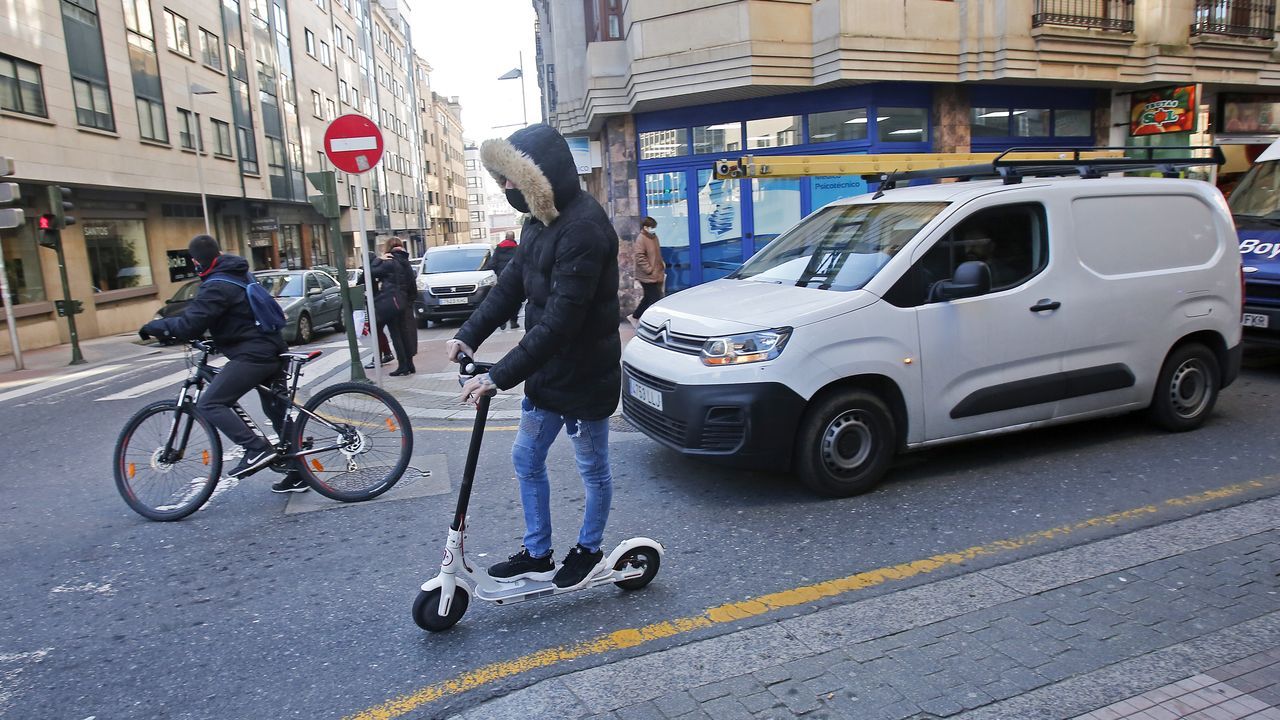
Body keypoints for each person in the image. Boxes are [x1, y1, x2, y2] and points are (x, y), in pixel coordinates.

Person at [447, 123, 622, 590]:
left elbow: (561, 321)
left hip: (585, 376)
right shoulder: (537, 224)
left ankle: (588, 548)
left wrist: (498, 377)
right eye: (500, 178)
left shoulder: (584, 228)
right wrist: (468, 335)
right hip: (547, 374)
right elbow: (510, 287)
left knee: (593, 469)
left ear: (540, 178)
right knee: (526, 458)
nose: (505, 187)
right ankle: (538, 551)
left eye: (511, 178)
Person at [139, 235, 308, 493]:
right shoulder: (238, 274)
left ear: (196, 261)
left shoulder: (216, 285)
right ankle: (298, 473)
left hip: (254, 355)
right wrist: (221, 339)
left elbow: (189, 324)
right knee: (277, 411)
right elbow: (239, 317)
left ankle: (256, 449)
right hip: (273, 348)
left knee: (210, 403)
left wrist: (155, 328)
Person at [370, 241, 414, 376]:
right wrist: (410, 300)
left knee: (395, 334)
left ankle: (402, 366)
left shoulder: (389, 262)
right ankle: (410, 364)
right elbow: (411, 282)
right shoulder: (405, 261)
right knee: (404, 333)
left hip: (391, 301)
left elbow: (371, 272)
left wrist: (378, 259)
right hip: (403, 300)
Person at [629, 216, 666, 326]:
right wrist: (649, 269)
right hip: (647, 275)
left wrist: (661, 264)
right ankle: (653, 323)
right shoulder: (641, 238)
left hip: (656, 273)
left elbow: (656, 254)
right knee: (654, 298)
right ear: (645, 227)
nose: (653, 229)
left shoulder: (654, 237)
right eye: (652, 227)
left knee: (648, 297)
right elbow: (639, 256)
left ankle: (635, 316)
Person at [487, 231, 520, 329]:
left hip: (502, 279)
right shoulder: (517, 249)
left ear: (505, 237)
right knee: (515, 301)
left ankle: (502, 321)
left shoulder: (498, 248)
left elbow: (492, 264)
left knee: (502, 301)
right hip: (515, 279)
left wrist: (497, 272)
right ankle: (513, 321)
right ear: (513, 238)